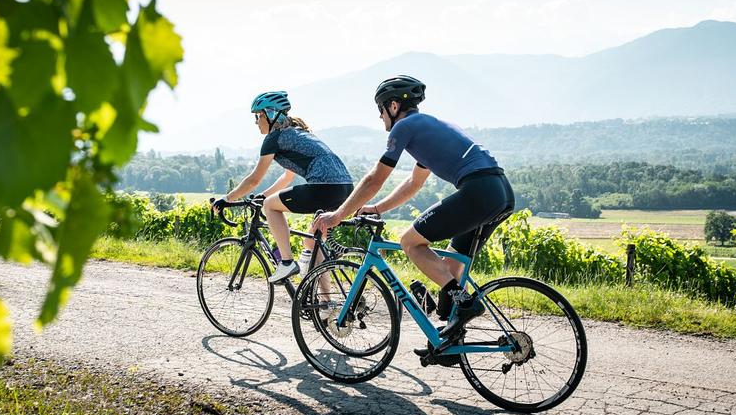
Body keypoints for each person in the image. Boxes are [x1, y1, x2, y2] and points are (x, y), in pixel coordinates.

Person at [313, 75, 514, 342]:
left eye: (380, 109)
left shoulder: (404, 127)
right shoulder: (427, 127)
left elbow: (375, 177)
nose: (380, 117)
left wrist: (338, 215)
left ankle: (465, 304)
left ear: (393, 106)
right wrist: (376, 207)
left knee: (410, 242)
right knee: (450, 269)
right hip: (499, 191)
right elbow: (413, 183)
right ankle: (450, 340)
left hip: (478, 191)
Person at [213, 91, 354, 283]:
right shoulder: (298, 134)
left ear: (271, 115)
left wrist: (227, 198)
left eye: (258, 115)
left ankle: (286, 263)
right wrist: (263, 195)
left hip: (324, 188)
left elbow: (254, 179)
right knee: (312, 243)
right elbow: (287, 176)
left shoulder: (275, 138)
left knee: (270, 206)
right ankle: (328, 304)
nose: (256, 121)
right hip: (344, 189)